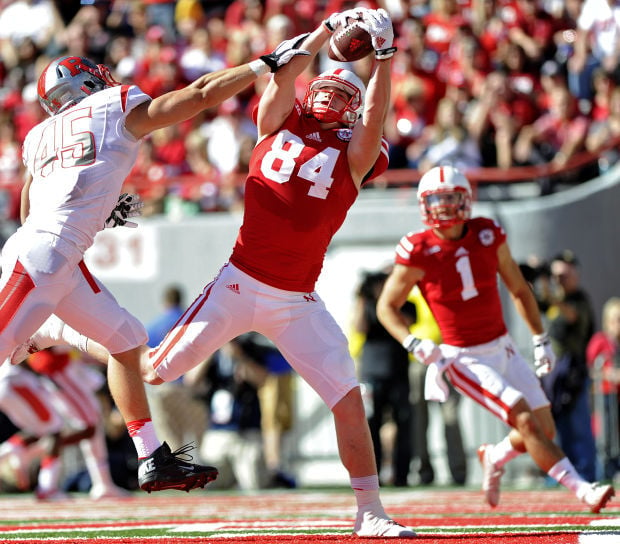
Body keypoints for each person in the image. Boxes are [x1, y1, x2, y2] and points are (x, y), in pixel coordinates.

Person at [9, 8, 416, 537]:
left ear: (353, 109)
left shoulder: (358, 150)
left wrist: (383, 58)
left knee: (348, 397)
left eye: (344, 95)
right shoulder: (278, 119)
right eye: (326, 87)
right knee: (151, 369)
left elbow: (372, 120)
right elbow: (281, 74)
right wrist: (318, 38)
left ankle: (371, 512)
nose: (330, 96)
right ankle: (59, 336)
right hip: (238, 280)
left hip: (297, 298)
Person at [0, 35, 312, 494]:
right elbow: (200, 94)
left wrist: (99, 214)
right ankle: (40, 332)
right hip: (46, 258)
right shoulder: (112, 103)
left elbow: (30, 211)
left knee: (126, 340)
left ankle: (151, 456)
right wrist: (261, 66)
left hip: (48, 253)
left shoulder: (39, 135)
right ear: (89, 81)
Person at [376, 165, 614, 513]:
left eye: (449, 197)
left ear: (466, 199)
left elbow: (519, 289)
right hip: (463, 357)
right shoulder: (418, 249)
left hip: (502, 346)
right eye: (435, 199)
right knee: (525, 421)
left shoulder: (487, 233)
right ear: (423, 204)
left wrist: (539, 339)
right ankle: (583, 490)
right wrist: (412, 341)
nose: (442, 206)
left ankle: (496, 454)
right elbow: (387, 306)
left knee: (543, 428)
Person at [352, 268, 415, 487]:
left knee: (404, 423)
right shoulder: (366, 305)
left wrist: (389, 301)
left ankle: (401, 475)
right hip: (372, 373)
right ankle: (373, 474)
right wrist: (361, 298)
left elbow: (406, 322)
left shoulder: (405, 304)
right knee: (371, 425)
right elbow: (359, 327)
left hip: (398, 372)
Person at [539, 250, 598, 482]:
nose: (561, 280)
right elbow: (534, 302)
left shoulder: (578, 299)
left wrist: (552, 294)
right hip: (554, 372)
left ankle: (586, 474)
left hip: (573, 370)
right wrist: (541, 278)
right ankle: (564, 476)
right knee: (558, 425)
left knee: (578, 425)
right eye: (558, 276)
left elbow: (572, 315)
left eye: (565, 274)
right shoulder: (553, 302)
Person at [407, 287, 467, 487]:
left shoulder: (444, 289)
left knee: (451, 417)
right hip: (418, 362)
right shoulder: (408, 292)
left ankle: (458, 472)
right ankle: (424, 471)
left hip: (446, 359)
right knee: (419, 420)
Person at [145, 285, 208, 452]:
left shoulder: (153, 327)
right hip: (188, 389)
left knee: (171, 441)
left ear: (165, 302)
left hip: (162, 388)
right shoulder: (191, 322)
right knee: (194, 442)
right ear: (181, 300)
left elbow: (144, 358)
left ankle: (177, 476)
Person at [587, 296, 620, 481]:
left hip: (618, 397)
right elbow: (592, 368)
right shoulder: (600, 341)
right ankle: (604, 473)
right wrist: (609, 374)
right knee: (606, 438)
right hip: (605, 396)